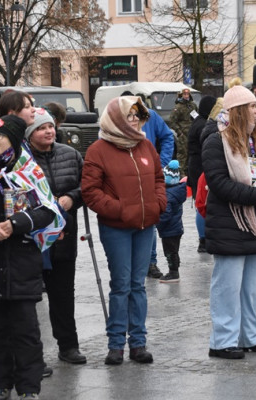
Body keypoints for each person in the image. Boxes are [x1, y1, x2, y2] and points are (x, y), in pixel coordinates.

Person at [0, 114, 63, 399]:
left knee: (26, 331)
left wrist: (17, 223)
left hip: (23, 264)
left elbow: (49, 210)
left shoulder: (30, 172)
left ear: (14, 139)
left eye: (1, 135)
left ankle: (28, 388)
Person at [82, 96, 166, 365]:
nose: (134, 120)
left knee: (137, 286)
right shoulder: (98, 149)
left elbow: (158, 178)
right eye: (129, 115)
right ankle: (116, 344)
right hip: (116, 228)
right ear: (116, 118)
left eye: (137, 116)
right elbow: (91, 192)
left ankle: (138, 343)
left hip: (144, 226)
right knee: (121, 285)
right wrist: (120, 209)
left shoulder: (145, 145)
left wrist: (157, 204)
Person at [203, 85, 256, 360]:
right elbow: (220, 184)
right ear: (237, 111)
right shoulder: (216, 140)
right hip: (230, 223)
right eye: (250, 106)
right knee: (227, 287)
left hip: (255, 222)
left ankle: (249, 336)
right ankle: (222, 341)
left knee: (249, 288)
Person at [24, 109, 87, 365]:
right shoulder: (22, 159)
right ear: (30, 134)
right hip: (32, 237)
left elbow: (87, 186)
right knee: (28, 298)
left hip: (64, 235)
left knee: (63, 293)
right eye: (41, 128)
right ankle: (31, 353)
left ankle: (68, 345)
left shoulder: (70, 154)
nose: (48, 131)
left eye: (50, 126)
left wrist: (72, 197)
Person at [120, 90, 173, 279]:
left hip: (149, 176)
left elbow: (168, 136)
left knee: (148, 218)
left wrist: (161, 161)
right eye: (129, 113)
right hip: (125, 182)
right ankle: (130, 262)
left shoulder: (151, 116)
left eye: (136, 112)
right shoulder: (114, 123)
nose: (133, 118)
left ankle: (150, 262)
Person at [186, 96, 217, 253]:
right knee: (202, 203)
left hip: (195, 165)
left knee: (201, 202)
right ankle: (203, 239)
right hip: (200, 167)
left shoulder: (198, 121)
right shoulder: (203, 125)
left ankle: (203, 238)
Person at [157, 160, 187, 283]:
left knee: (169, 252)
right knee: (174, 250)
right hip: (177, 228)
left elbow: (165, 214)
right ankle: (175, 269)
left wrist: (156, 222)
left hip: (169, 230)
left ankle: (173, 272)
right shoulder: (178, 191)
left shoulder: (168, 196)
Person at [170, 88, 196, 175]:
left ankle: (189, 172)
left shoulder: (192, 105)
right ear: (181, 95)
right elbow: (172, 121)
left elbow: (196, 117)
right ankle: (181, 173)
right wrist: (179, 132)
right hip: (183, 134)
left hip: (192, 133)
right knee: (182, 154)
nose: (186, 96)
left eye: (187, 94)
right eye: (184, 94)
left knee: (191, 153)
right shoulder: (178, 107)